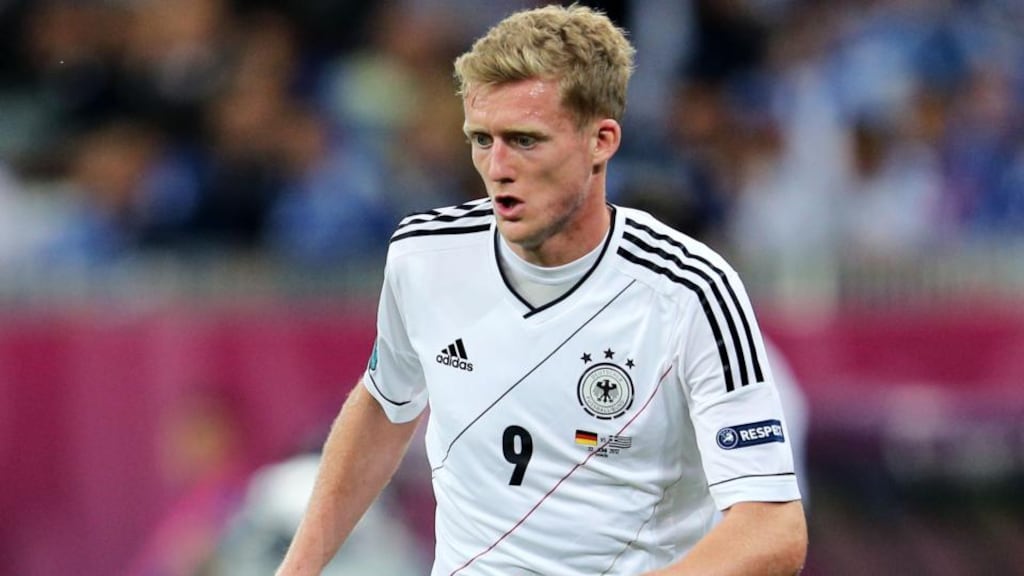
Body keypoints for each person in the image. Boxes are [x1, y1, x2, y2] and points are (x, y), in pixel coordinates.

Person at [277, 5, 807, 575]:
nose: (497, 166)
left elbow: (772, 528)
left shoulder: (691, 291)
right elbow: (385, 405)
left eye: (526, 140)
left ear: (601, 140)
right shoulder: (422, 255)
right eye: (482, 139)